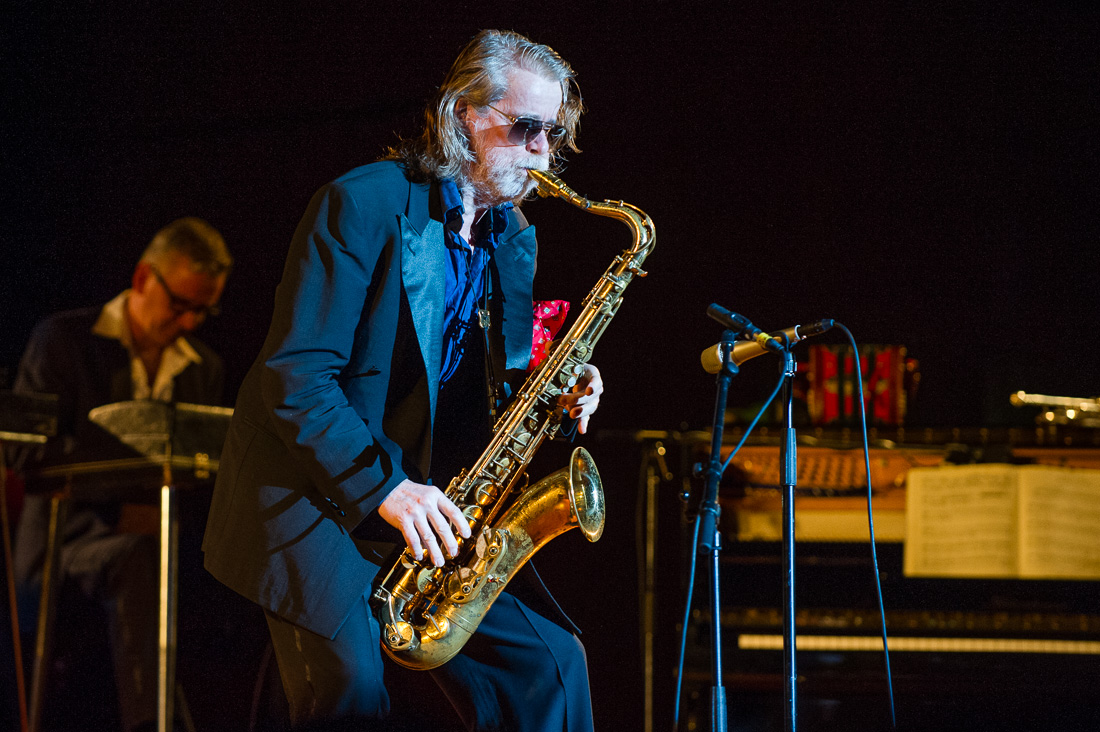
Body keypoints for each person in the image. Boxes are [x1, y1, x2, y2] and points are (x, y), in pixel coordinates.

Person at [202, 29, 603, 732]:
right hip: (311, 495)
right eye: (526, 127)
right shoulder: (360, 203)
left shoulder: (513, 235)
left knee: (554, 665)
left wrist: (558, 393)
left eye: (554, 132)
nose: (544, 151)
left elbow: (497, 388)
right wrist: (387, 489)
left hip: (413, 506)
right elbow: (296, 378)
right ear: (463, 115)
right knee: (352, 693)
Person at [13, 217, 231, 732]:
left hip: (163, 551)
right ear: (142, 279)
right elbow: (28, 455)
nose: (190, 322)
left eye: (203, 310)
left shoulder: (203, 367)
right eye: (180, 304)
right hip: (64, 547)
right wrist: (124, 500)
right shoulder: (63, 340)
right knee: (138, 559)